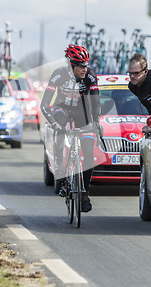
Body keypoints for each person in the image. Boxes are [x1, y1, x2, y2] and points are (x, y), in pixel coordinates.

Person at [40, 45, 100, 212]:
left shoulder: (90, 75)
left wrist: (96, 122)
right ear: (71, 65)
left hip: (82, 111)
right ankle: (60, 171)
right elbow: (45, 104)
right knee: (59, 129)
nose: (84, 69)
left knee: (88, 151)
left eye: (86, 65)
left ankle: (84, 193)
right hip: (62, 108)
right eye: (80, 66)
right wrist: (54, 124)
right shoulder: (59, 74)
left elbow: (95, 102)